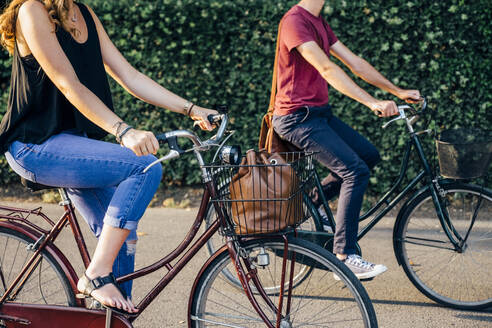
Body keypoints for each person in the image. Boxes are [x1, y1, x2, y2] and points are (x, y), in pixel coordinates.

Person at [0, 0, 217, 314]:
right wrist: (123, 130)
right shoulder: (31, 10)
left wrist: (192, 109)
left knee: (122, 234)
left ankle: (111, 319)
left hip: (75, 145)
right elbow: (66, 82)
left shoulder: (84, 13)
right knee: (144, 166)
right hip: (37, 146)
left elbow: (130, 76)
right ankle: (96, 275)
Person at [272, 0, 421, 280]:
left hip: (319, 114)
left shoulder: (319, 23)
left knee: (368, 156)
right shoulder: (294, 21)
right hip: (296, 118)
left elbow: (355, 64)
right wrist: (371, 102)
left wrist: (397, 91)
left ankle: (309, 205)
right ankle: (344, 255)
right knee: (354, 170)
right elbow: (327, 69)